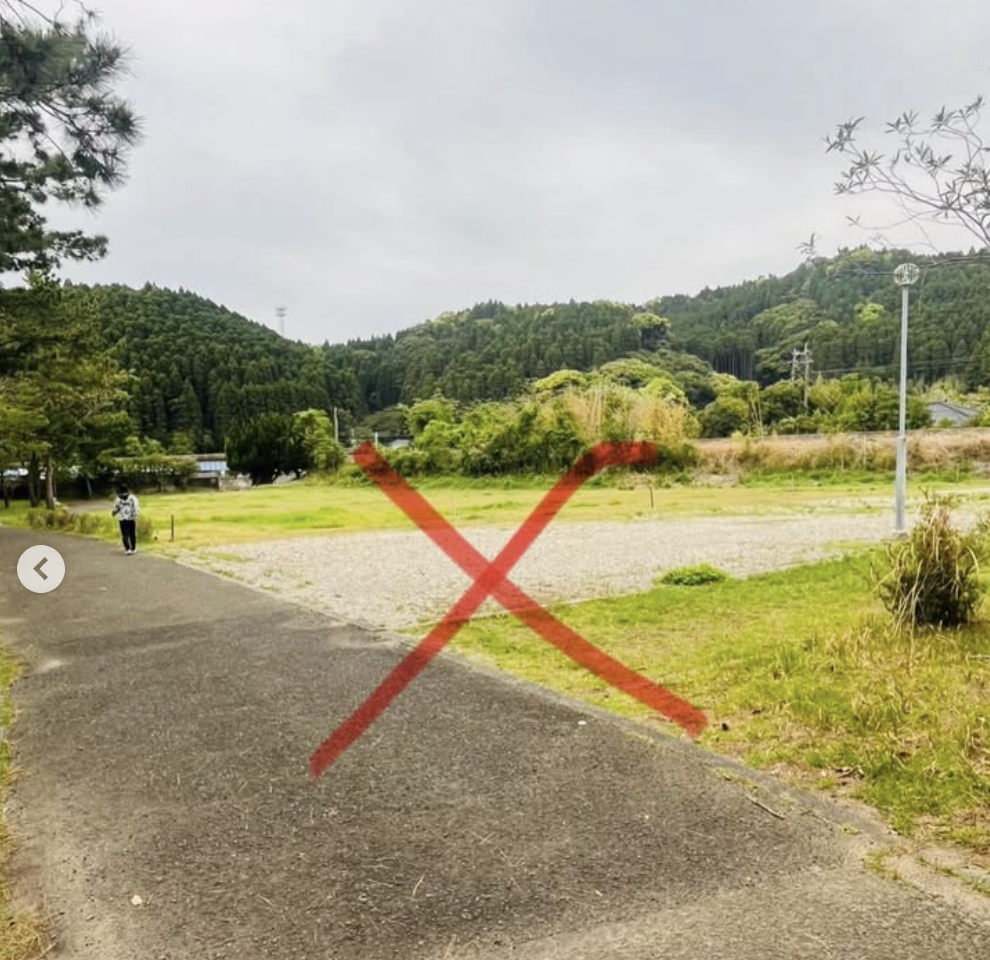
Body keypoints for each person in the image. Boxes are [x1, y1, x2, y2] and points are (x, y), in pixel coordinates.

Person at [112, 484, 140, 555]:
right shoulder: (132, 498)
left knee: (126, 534)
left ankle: (128, 549)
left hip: (124, 518)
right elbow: (136, 507)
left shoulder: (119, 498)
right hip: (129, 518)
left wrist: (114, 512)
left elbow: (116, 508)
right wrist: (135, 514)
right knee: (131, 534)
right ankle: (132, 549)